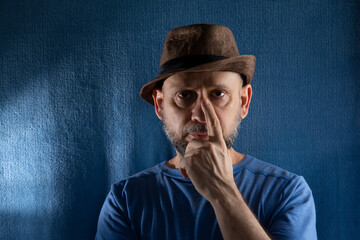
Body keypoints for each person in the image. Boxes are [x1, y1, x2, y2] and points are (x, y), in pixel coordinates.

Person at [95, 24, 317, 240]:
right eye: (184, 95)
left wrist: (222, 191)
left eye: (218, 94)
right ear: (160, 105)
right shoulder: (126, 199)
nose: (200, 116)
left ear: (243, 102)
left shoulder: (286, 193)